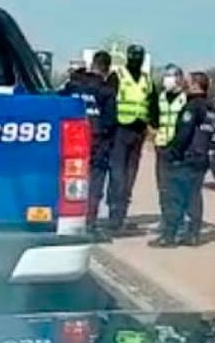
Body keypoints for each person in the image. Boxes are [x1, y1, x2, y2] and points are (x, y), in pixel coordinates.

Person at [149, 71, 215, 248]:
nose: (184, 85)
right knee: (194, 196)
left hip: (187, 158)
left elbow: (184, 134)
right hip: (202, 158)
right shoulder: (210, 108)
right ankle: (193, 234)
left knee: (174, 196)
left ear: (195, 85)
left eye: (188, 82)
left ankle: (169, 236)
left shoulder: (192, 107)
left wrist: (171, 152)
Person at [58, 51, 117, 228]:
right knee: (94, 184)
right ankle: (89, 223)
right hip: (97, 144)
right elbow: (110, 121)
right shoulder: (106, 91)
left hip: (70, 142)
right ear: (106, 70)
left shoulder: (73, 85)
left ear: (92, 65)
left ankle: (66, 220)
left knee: (67, 180)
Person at [107, 44, 158, 231]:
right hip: (120, 130)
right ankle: (113, 214)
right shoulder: (117, 76)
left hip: (138, 132)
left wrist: (156, 127)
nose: (137, 59)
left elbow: (153, 107)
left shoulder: (147, 80)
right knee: (118, 175)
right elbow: (109, 104)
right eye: (134, 55)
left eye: (140, 56)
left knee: (130, 176)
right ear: (128, 57)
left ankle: (121, 216)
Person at [153, 64, 188, 230]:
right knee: (163, 187)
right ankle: (166, 219)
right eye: (166, 76)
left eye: (171, 76)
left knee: (178, 187)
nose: (167, 79)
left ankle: (179, 220)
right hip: (162, 147)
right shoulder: (160, 97)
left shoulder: (185, 99)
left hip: (179, 149)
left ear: (179, 79)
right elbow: (154, 119)